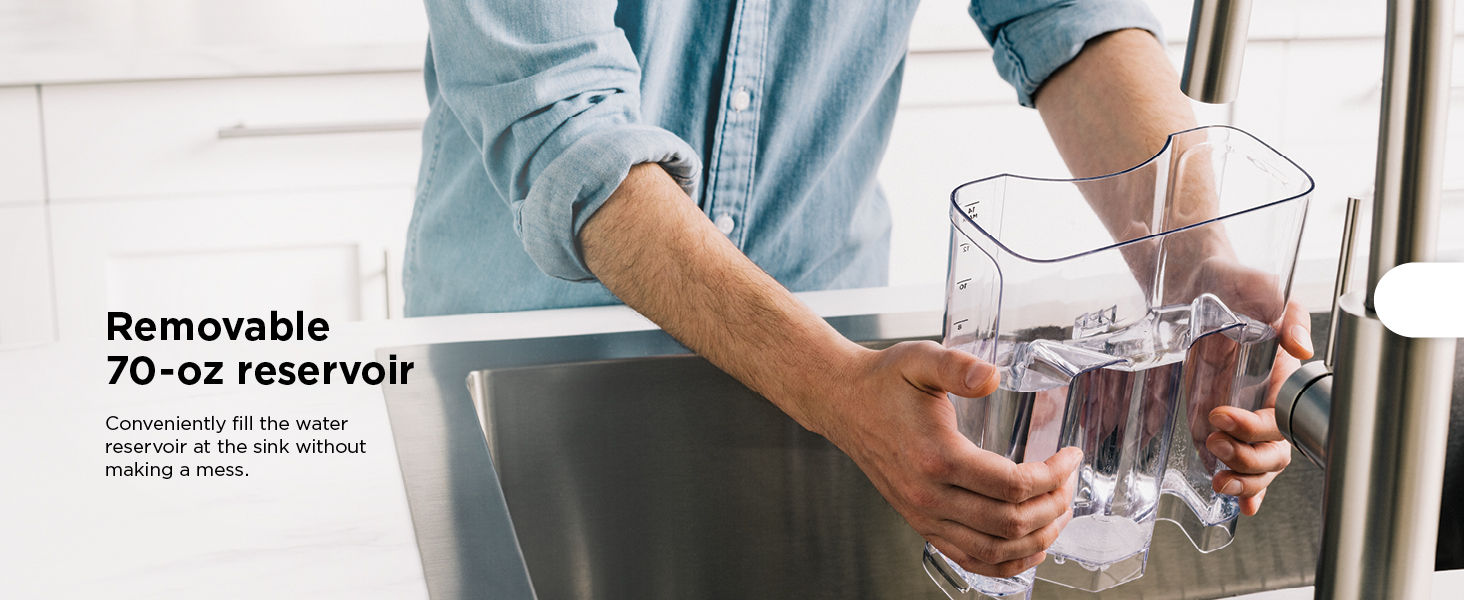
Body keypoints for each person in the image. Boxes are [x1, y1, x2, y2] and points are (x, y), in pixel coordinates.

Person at [405, 0, 1313, 579]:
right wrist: (838, 389)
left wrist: (1196, 262)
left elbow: (1061, 12)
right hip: (532, 350)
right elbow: (559, 120)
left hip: (835, 343)